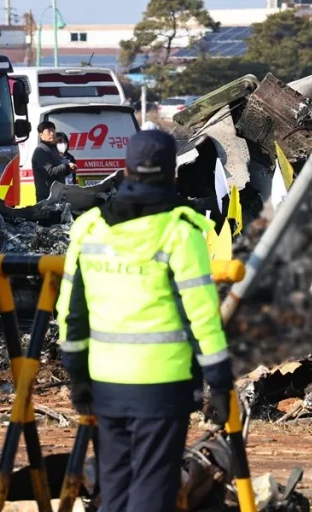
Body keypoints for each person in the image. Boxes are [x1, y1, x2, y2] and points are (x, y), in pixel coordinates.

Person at [57, 130, 234, 512]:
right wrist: (220, 383)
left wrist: (77, 378)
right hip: (162, 386)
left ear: (127, 170)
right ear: (172, 173)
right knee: (153, 486)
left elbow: (71, 314)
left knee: (114, 484)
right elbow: (202, 318)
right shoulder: (179, 233)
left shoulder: (90, 229)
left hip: (106, 384)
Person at [31, 121, 77, 202]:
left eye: (53, 130)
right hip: (47, 197)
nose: (52, 133)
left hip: (57, 195)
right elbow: (50, 172)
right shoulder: (41, 150)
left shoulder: (53, 149)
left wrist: (68, 170)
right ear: (41, 135)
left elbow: (58, 173)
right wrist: (66, 166)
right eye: (48, 131)